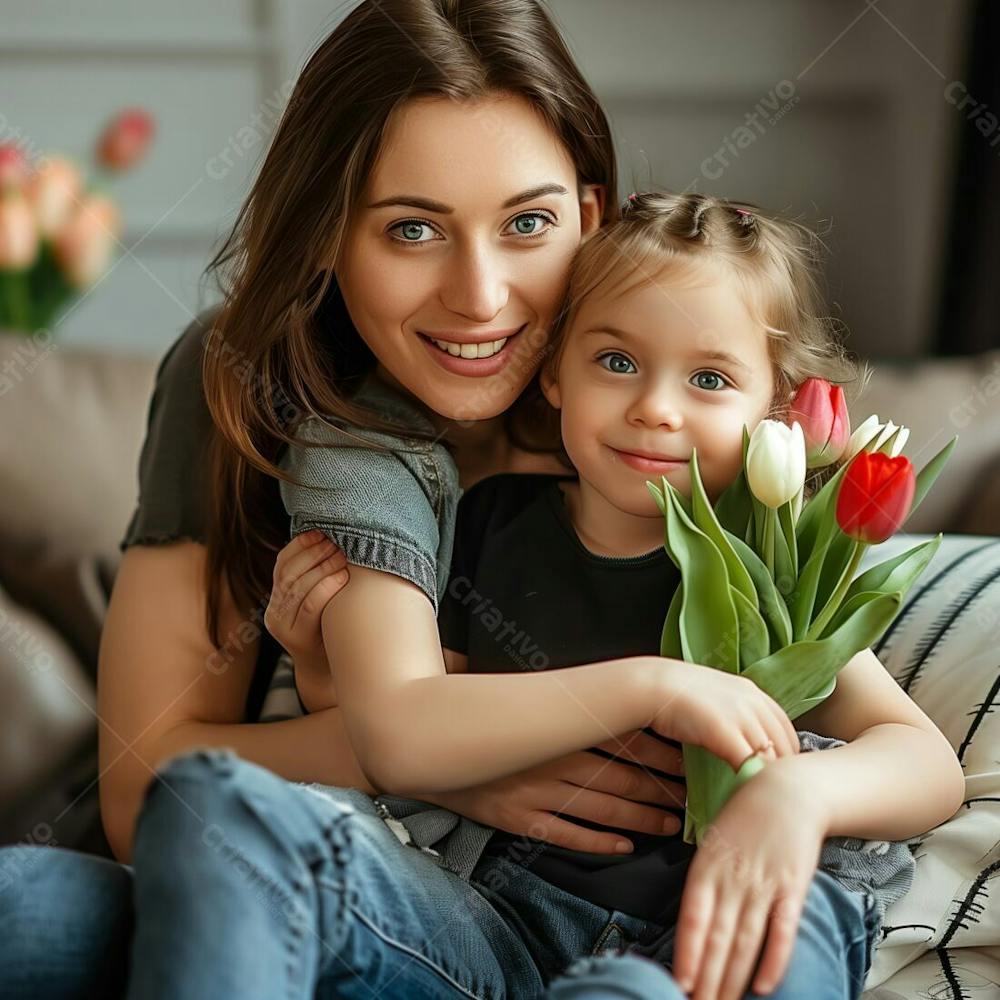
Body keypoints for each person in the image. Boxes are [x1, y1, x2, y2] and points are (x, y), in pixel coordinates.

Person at [0, 2, 695, 998]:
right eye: (413, 229)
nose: (481, 294)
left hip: (475, 922)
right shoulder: (243, 379)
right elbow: (143, 787)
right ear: (328, 233)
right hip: (234, 868)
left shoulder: (652, 412)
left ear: (587, 216)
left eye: (527, 224)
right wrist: (438, 753)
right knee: (23, 904)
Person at [125, 191, 963, 1000]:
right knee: (214, 800)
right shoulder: (487, 525)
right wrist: (317, 658)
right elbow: (403, 730)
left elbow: (925, 765)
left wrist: (796, 794)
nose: (656, 410)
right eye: (617, 362)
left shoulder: (768, 567)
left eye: (709, 380)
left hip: (707, 930)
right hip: (497, 928)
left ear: (775, 409)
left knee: (790, 923)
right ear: (553, 372)